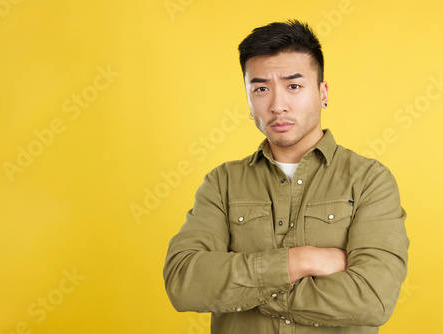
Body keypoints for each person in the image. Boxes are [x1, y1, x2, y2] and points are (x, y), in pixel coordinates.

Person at [163, 20, 409, 333]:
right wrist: (303, 260)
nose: (278, 105)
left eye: (294, 86)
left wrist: (244, 284)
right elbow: (184, 283)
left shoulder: (369, 180)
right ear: (249, 101)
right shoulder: (222, 183)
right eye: (261, 88)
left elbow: (373, 299)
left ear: (322, 93)